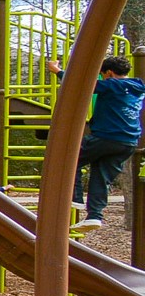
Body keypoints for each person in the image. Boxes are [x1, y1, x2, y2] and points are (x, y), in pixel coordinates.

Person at [50, 56, 145, 230]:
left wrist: (57, 71)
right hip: (129, 142)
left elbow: (80, 84)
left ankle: (75, 198)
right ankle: (94, 215)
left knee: (68, 156)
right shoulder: (138, 86)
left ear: (108, 73)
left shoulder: (111, 85)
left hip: (107, 137)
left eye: (102, 75)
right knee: (101, 177)